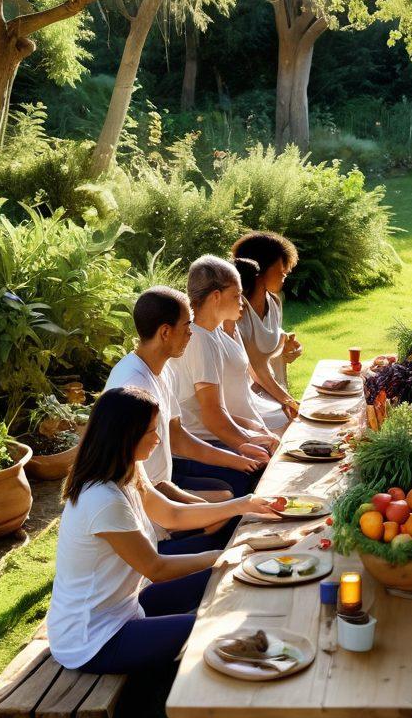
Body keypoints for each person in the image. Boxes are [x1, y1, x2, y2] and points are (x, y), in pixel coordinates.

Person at [47, 386, 283, 674]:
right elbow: (156, 568)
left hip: (127, 607)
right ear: (125, 436)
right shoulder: (102, 500)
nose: (158, 439)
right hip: (94, 640)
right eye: (150, 432)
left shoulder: (129, 469)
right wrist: (223, 554)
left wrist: (242, 505)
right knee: (212, 626)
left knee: (230, 576)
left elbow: (171, 514)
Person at [104, 286, 267, 551]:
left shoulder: (163, 370)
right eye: (187, 325)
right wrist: (200, 506)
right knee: (228, 515)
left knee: (235, 495)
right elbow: (129, 478)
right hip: (144, 499)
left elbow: (178, 438)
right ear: (165, 332)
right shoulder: (132, 387)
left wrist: (240, 457)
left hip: (162, 483)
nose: (192, 332)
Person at [169, 256, 280, 497]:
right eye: (237, 295)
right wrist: (245, 444)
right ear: (216, 296)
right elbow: (211, 415)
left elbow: (216, 411)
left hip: (209, 440)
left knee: (274, 452)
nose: (242, 302)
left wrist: (252, 428)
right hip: (194, 449)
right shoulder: (198, 339)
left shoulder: (211, 334)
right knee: (267, 473)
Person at [231, 231, 303, 402]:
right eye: (281, 265)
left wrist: (285, 347)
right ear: (260, 267)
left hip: (274, 392)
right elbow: (254, 365)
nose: (286, 271)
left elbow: (266, 346)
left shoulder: (274, 303)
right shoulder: (235, 310)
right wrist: (289, 402)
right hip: (246, 399)